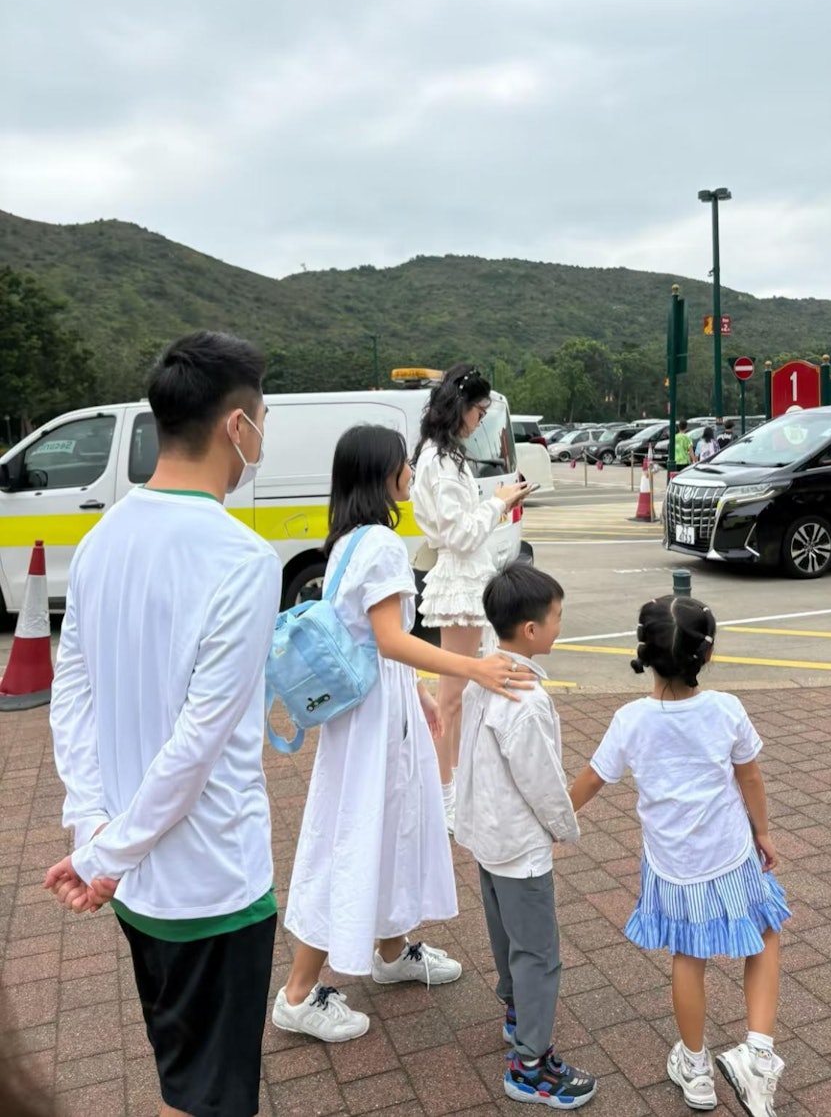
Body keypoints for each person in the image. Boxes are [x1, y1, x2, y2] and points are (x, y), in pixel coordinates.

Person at [45, 331, 282, 1117]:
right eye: (262, 415)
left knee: (183, 1074)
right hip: (213, 882)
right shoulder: (242, 560)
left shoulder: (102, 537)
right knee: (208, 1098)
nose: (262, 432)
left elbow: (69, 690)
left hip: (136, 883)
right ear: (235, 428)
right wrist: (104, 849)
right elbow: (199, 745)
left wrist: (96, 831)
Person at [275, 424, 535, 1042]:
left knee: (382, 826)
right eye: (403, 464)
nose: (411, 473)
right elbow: (390, 638)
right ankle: (298, 992)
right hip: (372, 722)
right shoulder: (383, 545)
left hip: (370, 713)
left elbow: (368, 640)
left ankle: (390, 952)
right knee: (356, 833)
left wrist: (416, 692)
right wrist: (472, 667)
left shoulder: (348, 542)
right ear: (382, 474)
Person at [569, 595, 790, 1116]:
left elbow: (591, 779)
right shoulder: (725, 709)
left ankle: (696, 1069)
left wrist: (553, 819)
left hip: (672, 865)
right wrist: (764, 831)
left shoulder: (630, 720)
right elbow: (750, 776)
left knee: (688, 956)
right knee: (764, 936)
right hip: (730, 853)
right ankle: (758, 1054)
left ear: (643, 653)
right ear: (706, 655)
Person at [456, 562, 597, 1110]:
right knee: (539, 951)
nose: (561, 625)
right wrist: (565, 827)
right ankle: (532, 1067)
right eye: (557, 617)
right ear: (532, 630)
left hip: (488, 834)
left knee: (505, 934)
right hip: (519, 843)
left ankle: (517, 1015)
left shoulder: (484, 674)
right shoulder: (527, 699)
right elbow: (540, 780)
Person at [411, 364, 529, 831]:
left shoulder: (444, 455)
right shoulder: (440, 460)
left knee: (462, 694)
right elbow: (460, 534)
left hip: (466, 577)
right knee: (453, 697)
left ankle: (454, 788)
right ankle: (445, 795)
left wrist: (496, 502)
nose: (481, 419)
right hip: (460, 578)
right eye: (480, 410)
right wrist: (499, 502)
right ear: (461, 408)